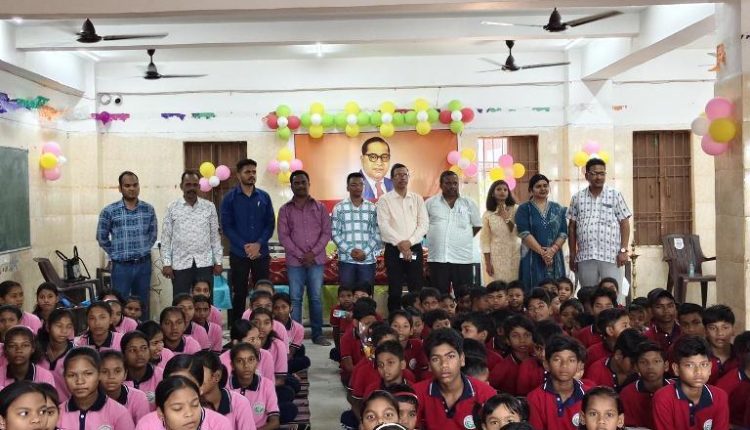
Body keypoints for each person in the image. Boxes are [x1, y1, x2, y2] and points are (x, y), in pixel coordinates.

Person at [277, 170, 332, 346]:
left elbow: (326, 232)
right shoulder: (285, 210)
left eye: (303, 182)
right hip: (295, 262)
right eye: (297, 183)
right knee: (295, 299)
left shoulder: (320, 207)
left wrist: (312, 253)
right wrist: (302, 255)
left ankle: (318, 335)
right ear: (291, 186)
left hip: (316, 261)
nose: (300, 185)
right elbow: (283, 237)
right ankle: (295, 337)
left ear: (309, 184)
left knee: (315, 297)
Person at [221, 158, 275, 323]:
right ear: (238, 175)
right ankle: (238, 328)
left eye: (254, 172)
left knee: (263, 292)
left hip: (261, 253)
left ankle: (263, 324)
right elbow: (227, 227)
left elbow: (270, 224)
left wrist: (258, 244)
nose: (252, 175)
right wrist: (245, 247)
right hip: (239, 253)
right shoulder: (229, 198)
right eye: (247, 172)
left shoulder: (264, 197)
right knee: (239, 292)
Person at [96, 171, 157, 319]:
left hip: (143, 265)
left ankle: (143, 331)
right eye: (127, 185)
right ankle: (121, 332)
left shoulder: (148, 209)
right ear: (120, 188)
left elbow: (153, 235)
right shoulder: (109, 211)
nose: (132, 188)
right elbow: (101, 237)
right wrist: (115, 253)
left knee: (142, 304)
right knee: (119, 304)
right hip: (121, 267)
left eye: (135, 185)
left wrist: (142, 250)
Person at [567, 158, 632, 289]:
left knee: (612, 294)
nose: (599, 177)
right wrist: (573, 254)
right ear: (587, 175)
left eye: (602, 173)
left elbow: (624, 223)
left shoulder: (615, 195)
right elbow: (572, 227)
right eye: (595, 173)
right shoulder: (577, 198)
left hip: (611, 256)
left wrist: (623, 250)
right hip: (585, 256)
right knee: (588, 295)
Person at [413, 328, 496, 430]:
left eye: (451, 356)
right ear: (429, 365)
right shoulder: (416, 393)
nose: (444, 365)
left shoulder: (486, 394)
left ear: (462, 359)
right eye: (436, 359)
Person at [161, 170, 223, 298]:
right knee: (181, 300)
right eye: (188, 184)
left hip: (204, 263)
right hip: (180, 263)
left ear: (199, 186)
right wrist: (166, 263)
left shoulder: (209, 207)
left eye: (195, 185)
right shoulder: (172, 207)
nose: (191, 188)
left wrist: (218, 261)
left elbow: (215, 237)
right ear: (181, 186)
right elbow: (166, 237)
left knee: (204, 300)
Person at [377, 163, 429, 312]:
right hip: (393, 250)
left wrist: (409, 242)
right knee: (395, 289)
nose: (402, 178)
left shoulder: (417, 198)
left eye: (405, 174)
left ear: (408, 177)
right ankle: (395, 318)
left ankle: (417, 319)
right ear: (392, 179)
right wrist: (400, 243)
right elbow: (384, 226)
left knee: (416, 287)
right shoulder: (384, 200)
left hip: (414, 248)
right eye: (398, 175)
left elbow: (424, 224)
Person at [652, 335, 729, 430]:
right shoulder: (663, 398)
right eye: (689, 365)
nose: (698, 371)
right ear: (676, 369)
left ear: (710, 368)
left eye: (704, 364)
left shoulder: (720, 397)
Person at [425, 171, 482, 295]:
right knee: (439, 296)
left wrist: (462, 238)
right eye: (448, 183)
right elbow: (423, 226)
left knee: (464, 297)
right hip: (438, 258)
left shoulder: (469, 203)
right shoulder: (430, 203)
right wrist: (434, 237)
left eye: (455, 183)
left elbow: (477, 225)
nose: (452, 186)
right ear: (441, 185)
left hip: (462, 258)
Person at [60, 347, 136, 430]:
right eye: (71, 375)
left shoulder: (119, 413)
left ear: (99, 374)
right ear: (64, 377)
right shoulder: (57, 413)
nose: (80, 381)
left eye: (88, 373)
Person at [515, 174, 567, 292]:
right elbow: (524, 233)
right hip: (532, 255)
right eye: (538, 186)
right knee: (533, 289)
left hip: (554, 256)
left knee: (555, 289)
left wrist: (552, 251)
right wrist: (543, 253)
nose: (543, 189)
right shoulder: (524, 209)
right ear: (531, 190)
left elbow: (563, 233)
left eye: (545, 186)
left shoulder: (558, 208)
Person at [332, 172, 382, 287]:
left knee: (365, 295)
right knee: (347, 293)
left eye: (360, 184)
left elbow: (377, 232)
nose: (358, 188)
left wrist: (365, 252)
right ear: (347, 187)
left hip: (367, 260)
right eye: (353, 185)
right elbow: (334, 233)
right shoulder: (339, 208)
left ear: (364, 186)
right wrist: (350, 251)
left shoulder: (372, 208)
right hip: (346, 260)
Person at [481, 180, 521, 283]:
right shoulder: (488, 214)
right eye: (499, 189)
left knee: (515, 285)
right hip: (497, 257)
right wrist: (488, 263)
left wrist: (506, 218)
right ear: (492, 193)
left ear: (508, 193)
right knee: (500, 286)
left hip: (515, 254)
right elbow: (485, 241)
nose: (502, 191)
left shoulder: (516, 209)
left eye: (505, 189)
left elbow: (519, 233)